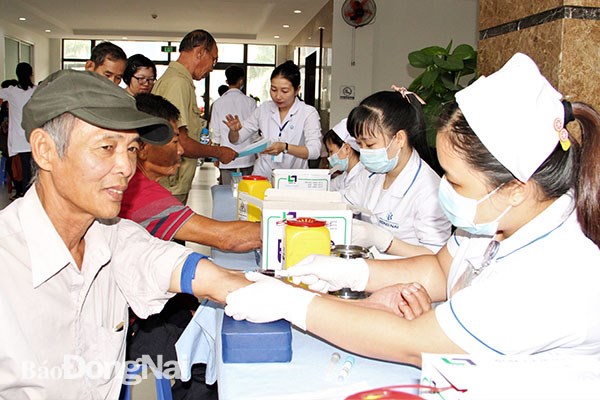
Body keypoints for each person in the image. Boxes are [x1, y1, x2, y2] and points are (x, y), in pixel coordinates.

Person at [224, 53, 600, 365]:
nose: (444, 190)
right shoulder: (493, 221)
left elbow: (415, 342)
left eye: (454, 181)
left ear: (516, 188)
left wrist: (297, 304)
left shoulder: (554, 275)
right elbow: (439, 269)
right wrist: (352, 273)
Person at [0, 69, 249, 399]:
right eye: (106, 147)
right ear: (45, 150)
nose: (126, 168)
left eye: (131, 149)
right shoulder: (8, 263)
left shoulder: (113, 236)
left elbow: (198, 274)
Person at [120, 93, 261, 251]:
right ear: (141, 148)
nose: (180, 150)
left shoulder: (130, 180)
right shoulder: (139, 192)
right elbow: (226, 237)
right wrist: (278, 227)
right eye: (174, 142)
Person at [342, 89, 451, 257]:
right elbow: (344, 203)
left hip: (407, 276)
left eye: (370, 145)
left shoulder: (429, 189)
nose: (364, 152)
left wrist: (383, 240)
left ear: (399, 138)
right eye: (359, 144)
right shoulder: (372, 171)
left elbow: (435, 255)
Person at [152, 29, 237, 203]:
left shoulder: (179, 80)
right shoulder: (178, 83)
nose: (212, 68)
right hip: (170, 186)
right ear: (199, 53)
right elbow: (181, 142)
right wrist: (219, 152)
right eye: (214, 59)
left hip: (173, 184)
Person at [225, 60, 322, 178]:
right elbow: (236, 140)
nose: (278, 96)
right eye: (274, 89)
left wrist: (285, 147)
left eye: (284, 91)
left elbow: (314, 151)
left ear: (297, 90)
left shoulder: (307, 112)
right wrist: (234, 131)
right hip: (262, 175)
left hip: (293, 178)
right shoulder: (264, 109)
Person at [209, 65, 257, 184]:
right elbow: (254, 130)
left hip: (226, 156)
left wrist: (216, 157)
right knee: (246, 191)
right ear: (241, 81)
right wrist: (257, 152)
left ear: (227, 81)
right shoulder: (250, 102)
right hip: (247, 156)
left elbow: (215, 133)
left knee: (226, 192)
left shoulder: (218, 103)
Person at [0, 63, 36, 198]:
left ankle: (26, 196)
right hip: (33, 136)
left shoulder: (11, 91)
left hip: (19, 140)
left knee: (24, 171)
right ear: (31, 74)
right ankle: (31, 197)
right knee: (33, 171)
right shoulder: (36, 91)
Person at [324, 118, 365, 193]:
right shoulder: (345, 175)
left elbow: (342, 197)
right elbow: (327, 187)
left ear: (346, 148)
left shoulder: (361, 175)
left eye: (331, 151)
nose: (329, 157)